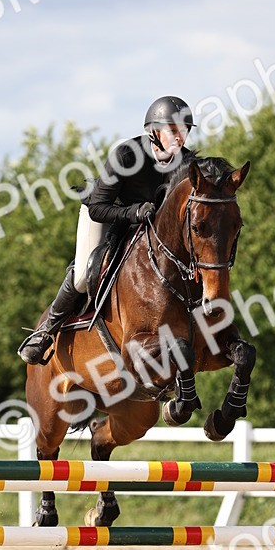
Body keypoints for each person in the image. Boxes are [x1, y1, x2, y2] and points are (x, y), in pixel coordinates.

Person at [18, 95, 197, 365]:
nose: (179, 137)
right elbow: (98, 208)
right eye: (172, 129)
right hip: (105, 213)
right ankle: (45, 332)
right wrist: (133, 212)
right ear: (154, 131)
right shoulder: (126, 156)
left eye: (183, 130)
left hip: (148, 227)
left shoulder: (185, 163)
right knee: (82, 276)